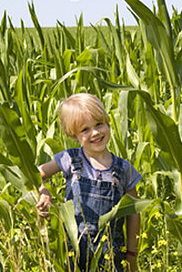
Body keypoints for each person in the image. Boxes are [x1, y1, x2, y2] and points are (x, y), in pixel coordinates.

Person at [36, 93, 141, 272]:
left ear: (107, 122)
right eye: (85, 130)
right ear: (74, 135)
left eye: (99, 124)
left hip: (111, 256)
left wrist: (131, 254)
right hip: (73, 252)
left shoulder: (124, 169)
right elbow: (36, 175)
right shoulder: (70, 159)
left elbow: (134, 213)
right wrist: (44, 191)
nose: (95, 133)